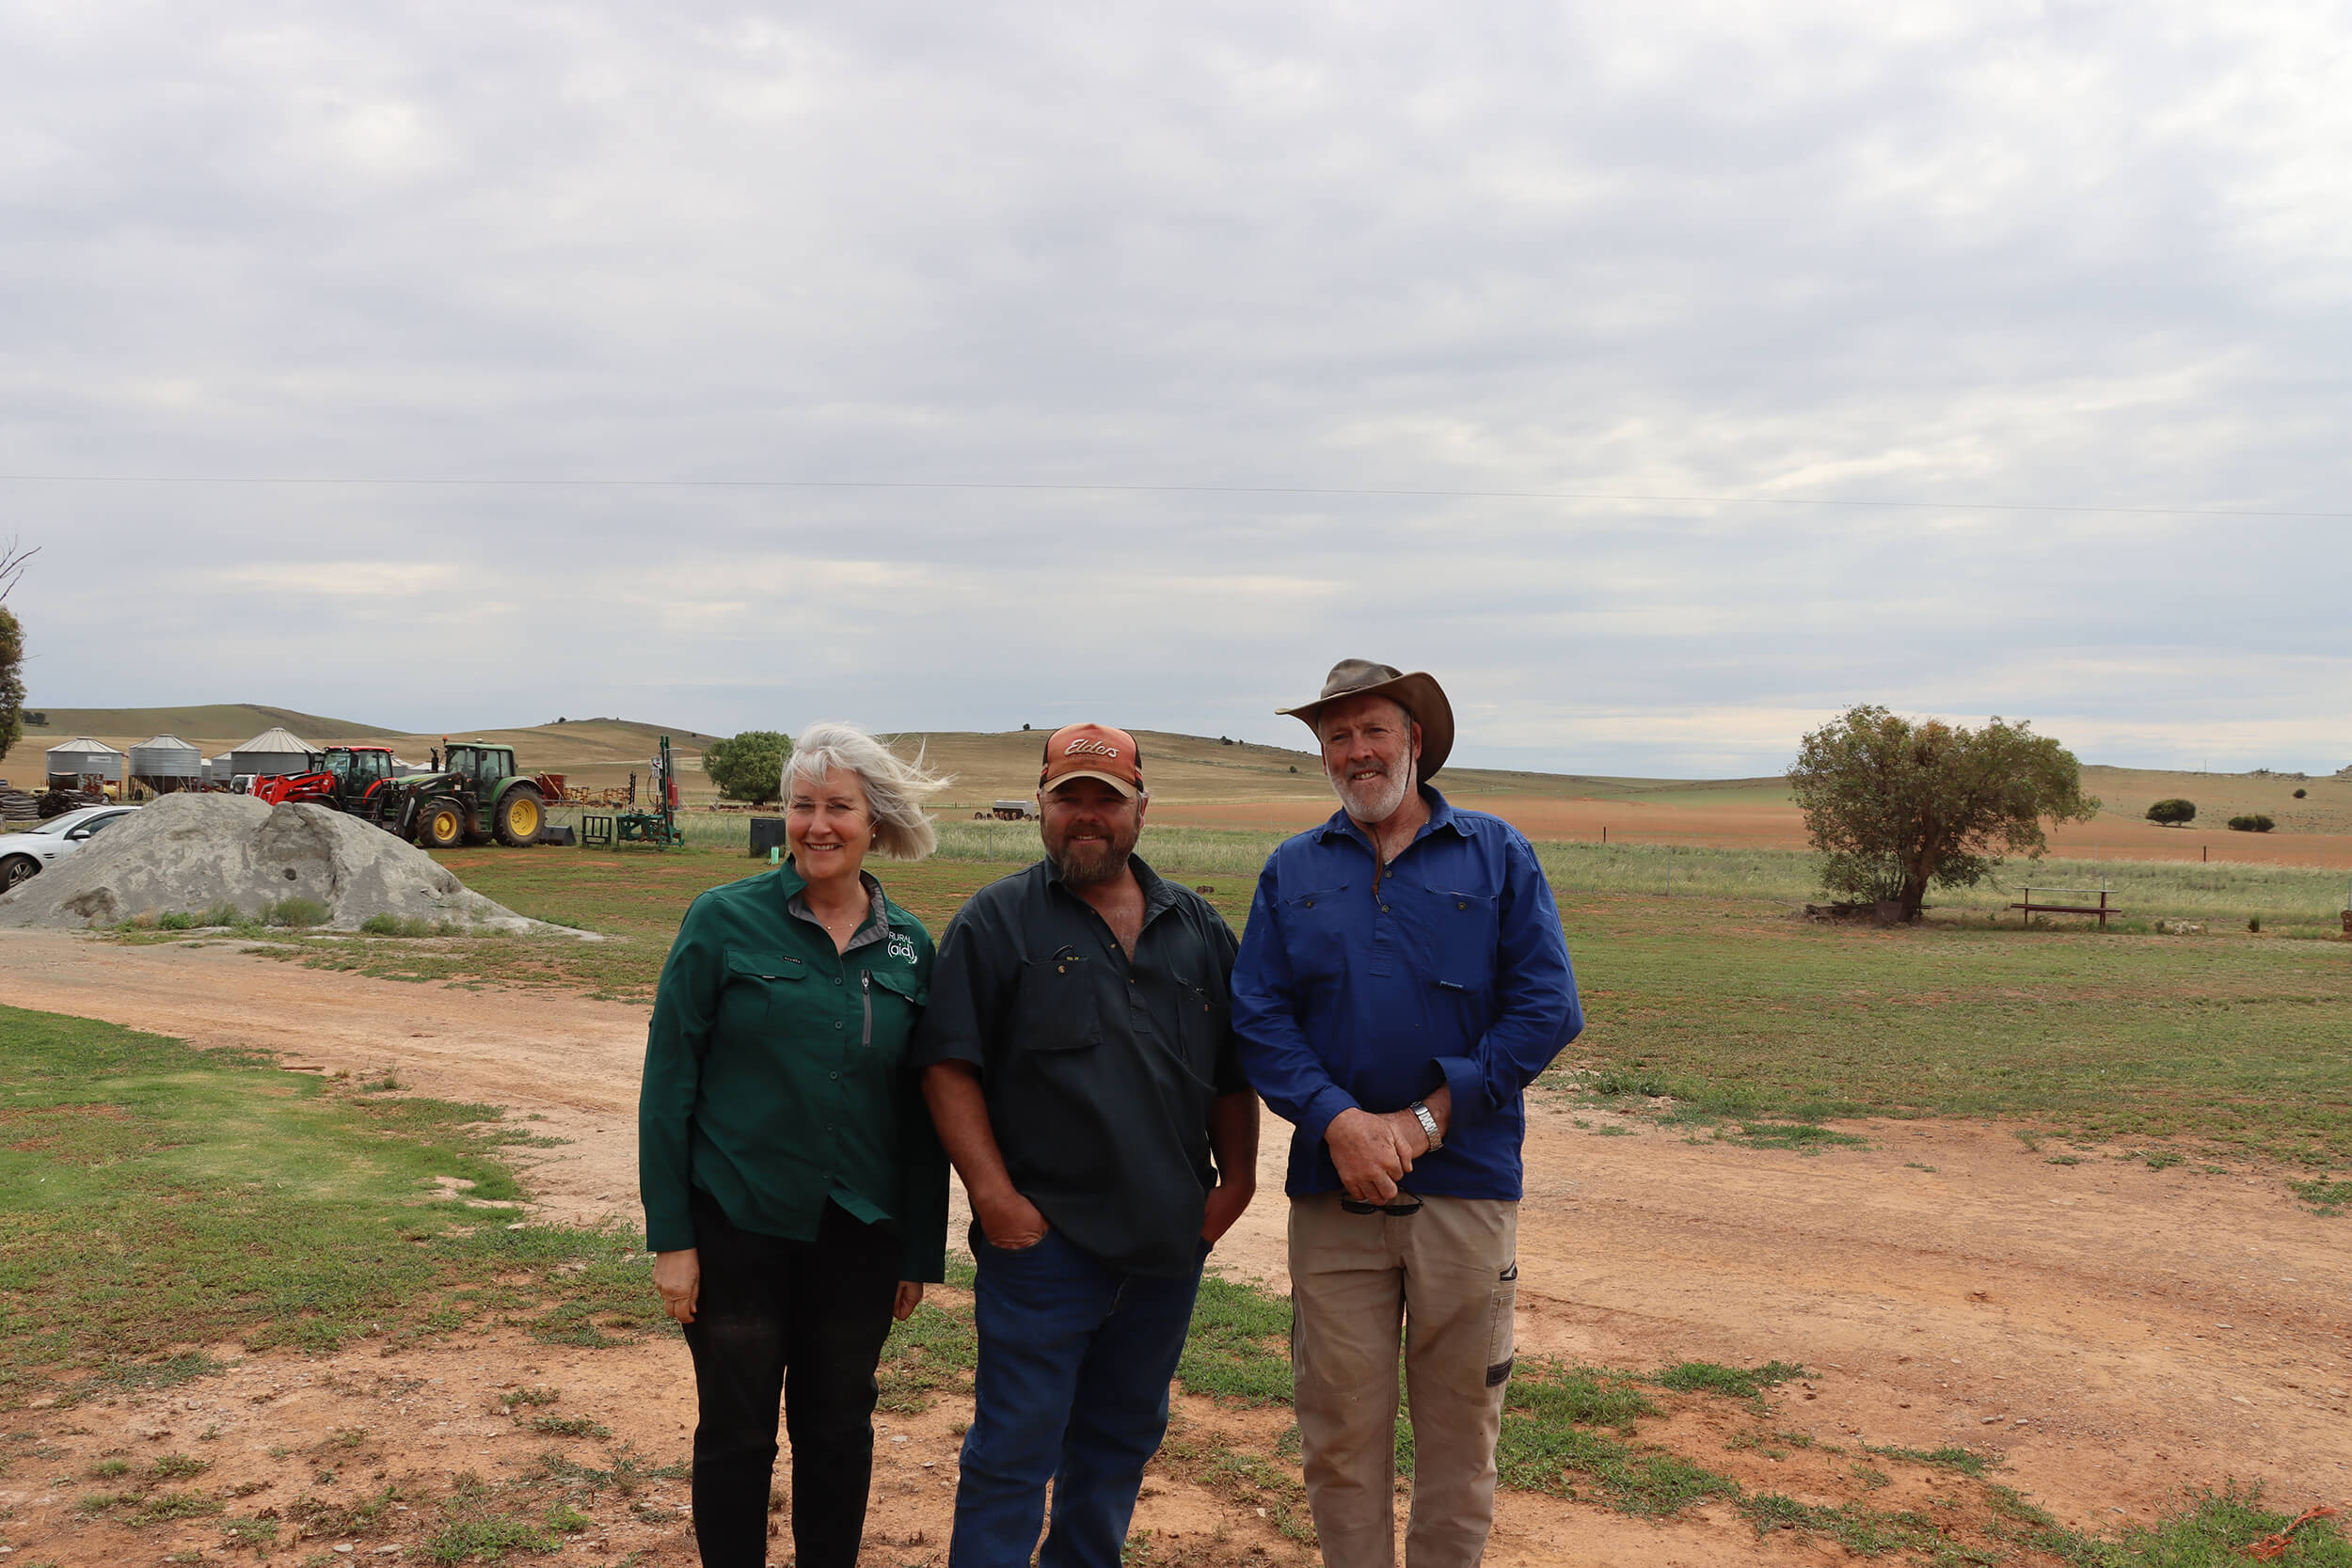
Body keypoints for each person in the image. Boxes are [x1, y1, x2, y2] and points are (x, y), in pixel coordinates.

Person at [1230, 660, 1582, 1568]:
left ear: (1415, 740)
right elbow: (1260, 1018)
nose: (1356, 751)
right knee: (1339, 1433)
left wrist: (1425, 1121)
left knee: (1461, 1436)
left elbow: (1546, 1007)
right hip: (1331, 1189)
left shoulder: (1496, 853)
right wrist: (1340, 1122)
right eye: (1336, 736)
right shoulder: (1293, 868)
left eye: (1373, 730)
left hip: (1464, 1188)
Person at [914, 722, 1261, 1568]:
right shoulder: (996, 923)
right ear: (1041, 805)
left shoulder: (1199, 929)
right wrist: (996, 1199)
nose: (1087, 816)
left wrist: (1237, 1186)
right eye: (1069, 797)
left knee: (1119, 1441)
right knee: (1012, 1452)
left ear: (1142, 808)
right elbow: (947, 1068)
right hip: (1044, 1250)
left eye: (1106, 799)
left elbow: (1232, 1073)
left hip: (1167, 1249)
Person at [638, 721, 952, 1568]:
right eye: (802, 806)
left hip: (859, 1232)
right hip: (739, 1223)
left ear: (874, 821)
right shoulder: (722, 920)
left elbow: (922, 1110)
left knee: (840, 1428)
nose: (818, 824)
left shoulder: (910, 946)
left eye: (839, 807)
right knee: (737, 1432)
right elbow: (669, 1085)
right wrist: (673, 1239)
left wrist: (918, 1248)